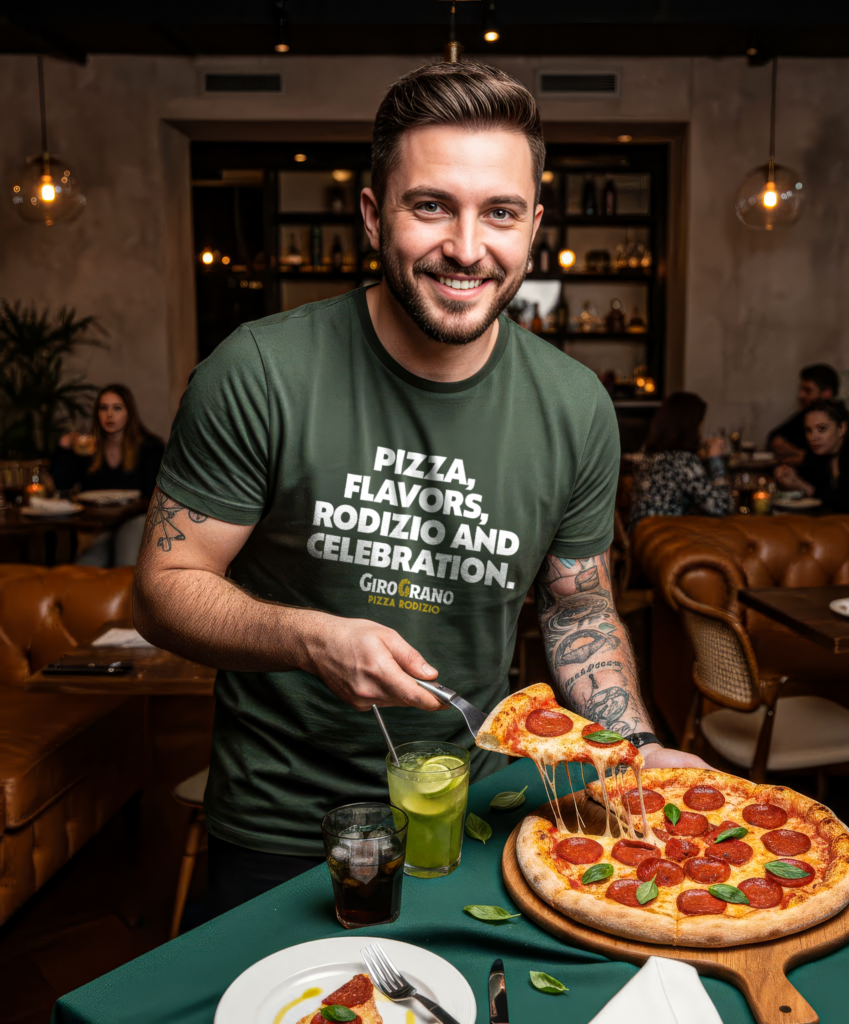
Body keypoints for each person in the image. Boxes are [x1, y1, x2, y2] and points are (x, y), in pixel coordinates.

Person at [133, 60, 707, 915]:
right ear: (374, 214)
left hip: (473, 811)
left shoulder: (576, 405)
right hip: (283, 825)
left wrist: (635, 749)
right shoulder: (258, 371)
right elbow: (163, 589)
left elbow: (578, 608)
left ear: (534, 226)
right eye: (432, 206)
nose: (467, 248)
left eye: (500, 212)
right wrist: (309, 637)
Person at [51, 383, 165, 566]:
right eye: (103, 408)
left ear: (129, 414)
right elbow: (62, 485)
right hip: (98, 526)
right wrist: (65, 447)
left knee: (124, 555)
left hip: (136, 521)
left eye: (117, 408)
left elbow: (155, 496)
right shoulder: (88, 448)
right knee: (84, 568)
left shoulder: (150, 448)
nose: (109, 415)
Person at [628, 392, 733, 529]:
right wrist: (715, 460)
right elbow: (722, 507)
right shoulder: (683, 461)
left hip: (639, 534)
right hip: (664, 536)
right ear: (691, 425)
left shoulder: (647, 456)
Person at [774, 399, 849, 515]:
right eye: (808, 430)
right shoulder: (817, 460)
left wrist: (807, 488)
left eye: (822, 429)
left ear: (841, 429)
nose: (813, 437)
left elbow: (848, 506)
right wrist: (787, 479)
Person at [767, 364, 839, 464]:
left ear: (827, 393)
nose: (800, 395)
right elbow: (775, 437)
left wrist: (800, 457)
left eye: (808, 390)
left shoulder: (838, 420)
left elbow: (824, 462)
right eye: (801, 389)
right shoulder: (805, 414)